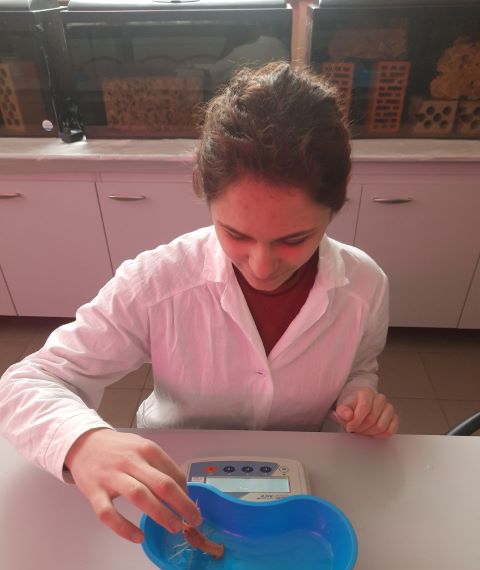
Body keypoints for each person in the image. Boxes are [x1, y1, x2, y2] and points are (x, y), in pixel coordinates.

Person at [0, 61, 398, 544]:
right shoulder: (158, 281)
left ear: (334, 208)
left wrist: (359, 396)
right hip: (175, 472)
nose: (261, 266)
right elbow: (30, 380)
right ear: (206, 199)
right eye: (236, 234)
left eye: (294, 239)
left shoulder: (364, 285)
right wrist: (83, 441)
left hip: (303, 475)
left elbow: (361, 364)